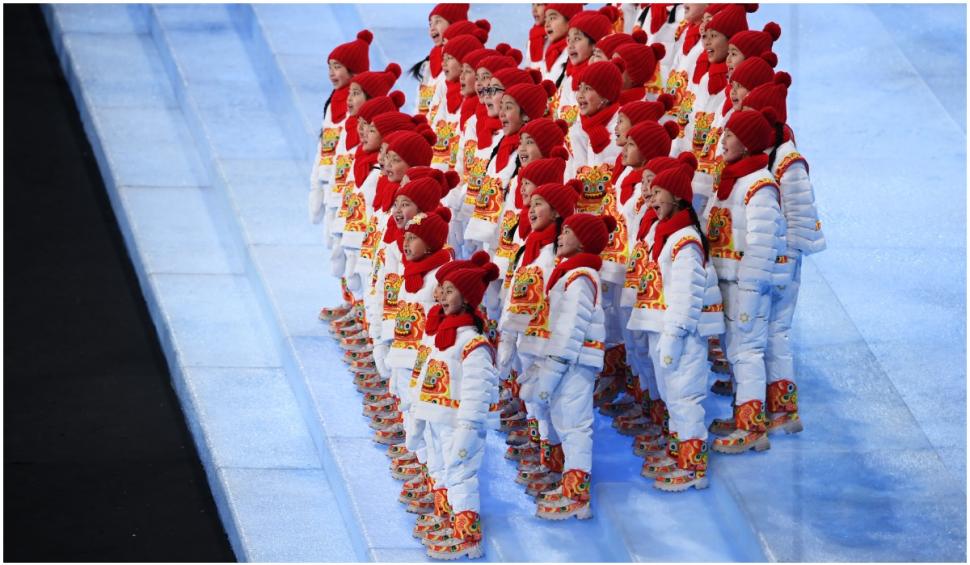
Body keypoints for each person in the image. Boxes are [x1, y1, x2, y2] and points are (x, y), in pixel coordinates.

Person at [636, 152, 725, 491]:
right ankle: (679, 452)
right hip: (664, 329)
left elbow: (687, 298)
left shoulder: (685, 240)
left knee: (685, 397)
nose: (652, 197)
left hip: (682, 334)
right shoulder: (665, 233)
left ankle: (693, 466)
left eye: (659, 192)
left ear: (677, 196)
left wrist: (674, 335)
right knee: (673, 395)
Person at [702, 107, 786, 455]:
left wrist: (751, 287)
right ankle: (743, 413)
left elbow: (763, 243)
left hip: (745, 286)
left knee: (746, 351)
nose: (723, 141)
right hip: (727, 281)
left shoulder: (760, 186)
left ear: (749, 142)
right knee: (736, 351)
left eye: (731, 136)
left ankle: (751, 427)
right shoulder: (731, 179)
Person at [414, 255, 502, 560]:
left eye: (449, 290)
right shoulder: (441, 337)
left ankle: (468, 536)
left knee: (460, 475)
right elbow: (425, 380)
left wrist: (468, 429)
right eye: (442, 290)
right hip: (437, 420)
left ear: (467, 299)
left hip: (460, 425)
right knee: (440, 468)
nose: (442, 296)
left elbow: (478, 393)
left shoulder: (473, 344)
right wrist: (417, 419)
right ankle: (447, 517)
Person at [526, 212, 613, 519]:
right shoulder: (569, 273)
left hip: (575, 363)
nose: (559, 237)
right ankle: (566, 480)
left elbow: (569, 330)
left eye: (567, 232)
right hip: (567, 361)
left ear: (584, 241)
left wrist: (552, 370)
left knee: (575, 425)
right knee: (565, 420)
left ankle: (578, 495)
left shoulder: (581, 279)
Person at [499, 180, 582, 496]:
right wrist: (508, 337)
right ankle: (543, 452)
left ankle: (555, 463)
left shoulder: (554, 256)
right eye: (530, 203)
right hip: (526, 340)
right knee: (534, 399)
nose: (531, 209)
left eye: (539, 204)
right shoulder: (529, 247)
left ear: (558, 212)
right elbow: (514, 294)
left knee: (550, 404)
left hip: (545, 342)